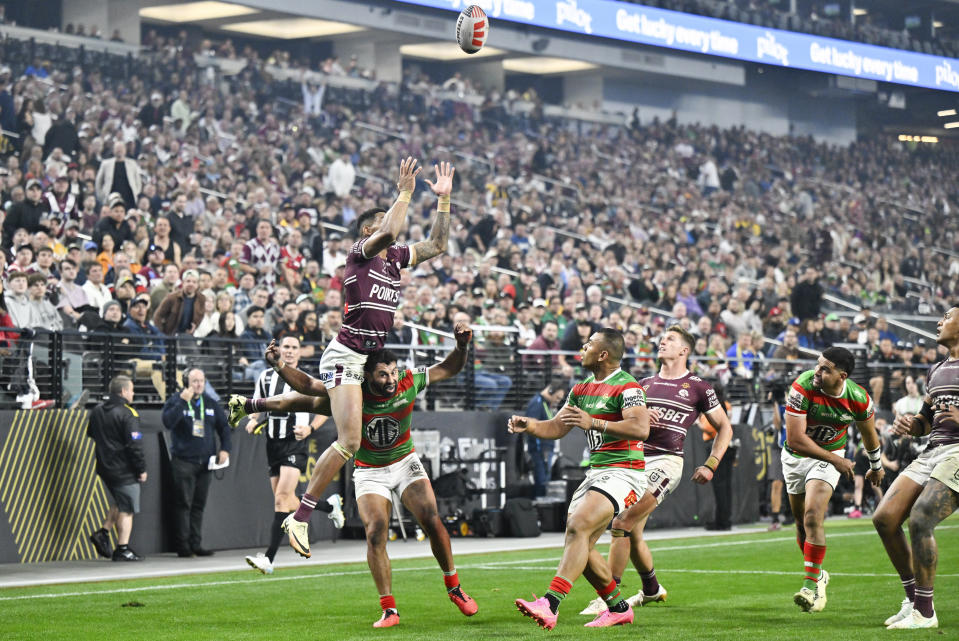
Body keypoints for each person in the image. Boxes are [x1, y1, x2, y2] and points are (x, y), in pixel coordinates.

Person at [228, 322, 478, 627]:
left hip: (403, 460)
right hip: (369, 469)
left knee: (431, 517)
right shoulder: (352, 395)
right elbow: (303, 394)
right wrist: (277, 370)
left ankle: (454, 587)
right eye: (382, 374)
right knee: (376, 531)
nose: (389, 379)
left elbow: (448, 368)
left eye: (393, 372)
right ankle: (389, 609)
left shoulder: (408, 380)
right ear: (366, 376)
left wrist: (462, 346)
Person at [276, 158, 454, 559]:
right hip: (347, 355)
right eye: (384, 220)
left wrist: (443, 202)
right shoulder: (360, 253)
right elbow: (391, 227)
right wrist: (405, 192)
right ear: (368, 230)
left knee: (317, 401)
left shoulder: (393, 258)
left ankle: (257, 404)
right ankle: (300, 516)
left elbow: (437, 245)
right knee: (350, 439)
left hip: (367, 359)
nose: (394, 226)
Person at [579, 325, 732, 616]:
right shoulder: (642, 384)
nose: (662, 342)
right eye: (662, 339)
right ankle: (651, 589)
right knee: (633, 531)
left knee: (622, 521)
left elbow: (725, 427)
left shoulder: (699, 386)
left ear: (684, 350)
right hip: (634, 460)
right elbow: (623, 418)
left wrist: (711, 463)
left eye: (670, 339)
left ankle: (611, 597)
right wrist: (640, 415)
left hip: (665, 461)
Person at [509, 328, 650, 630]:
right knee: (580, 543)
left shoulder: (628, 386)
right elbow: (557, 427)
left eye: (588, 344)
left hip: (624, 472)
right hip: (597, 474)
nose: (582, 348)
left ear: (603, 354)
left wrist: (594, 422)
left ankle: (550, 603)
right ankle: (618, 607)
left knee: (578, 526)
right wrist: (530, 425)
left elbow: (641, 429)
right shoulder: (581, 389)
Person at [873, 306, 959, 629]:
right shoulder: (935, 370)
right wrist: (912, 424)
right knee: (884, 518)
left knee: (921, 517)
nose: (940, 322)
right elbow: (927, 420)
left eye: (948, 317)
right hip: (932, 450)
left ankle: (925, 612)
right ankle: (913, 602)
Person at [782, 346, 883, 612]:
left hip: (829, 458)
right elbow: (795, 439)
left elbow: (868, 433)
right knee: (801, 524)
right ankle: (820, 575)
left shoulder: (858, 398)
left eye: (825, 369)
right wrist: (836, 460)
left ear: (842, 376)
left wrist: (876, 465)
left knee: (813, 515)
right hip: (795, 456)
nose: (817, 371)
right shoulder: (802, 387)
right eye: (818, 364)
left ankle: (809, 584)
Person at [241, 335, 345, 575]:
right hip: (272, 444)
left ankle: (268, 559)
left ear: (300, 353)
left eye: (293, 348)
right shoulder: (265, 377)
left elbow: (328, 407)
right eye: (285, 347)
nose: (289, 351)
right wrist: (252, 419)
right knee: (286, 501)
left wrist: (310, 428)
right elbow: (258, 404)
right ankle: (329, 506)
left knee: (280, 500)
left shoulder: (305, 380)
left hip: (295, 443)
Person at [161, 367, 231, 557]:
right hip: (183, 461)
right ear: (186, 383)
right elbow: (167, 423)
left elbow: (224, 427)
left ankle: (196, 543)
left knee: (199, 505)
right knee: (184, 504)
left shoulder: (210, 402)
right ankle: (183, 546)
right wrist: (183, 402)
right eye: (194, 381)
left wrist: (225, 448)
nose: (199, 384)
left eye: (201, 380)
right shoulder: (176, 401)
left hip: (206, 462)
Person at [87, 375, 147, 562]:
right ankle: (122, 548)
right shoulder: (128, 413)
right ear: (123, 392)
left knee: (121, 501)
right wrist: (141, 469)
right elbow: (134, 445)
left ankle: (103, 532)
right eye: (131, 390)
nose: (133, 393)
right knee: (128, 508)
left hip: (104, 466)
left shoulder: (97, 410)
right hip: (123, 468)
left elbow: (91, 434)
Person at [523, 380, 566, 497]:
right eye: (557, 398)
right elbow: (531, 427)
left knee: (545, 484)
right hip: (540, 451)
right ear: (551, 391)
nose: (557, 401)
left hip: (546, 451)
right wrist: (541, 451)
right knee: (541, 484)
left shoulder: (546, 405)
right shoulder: (537, 403)